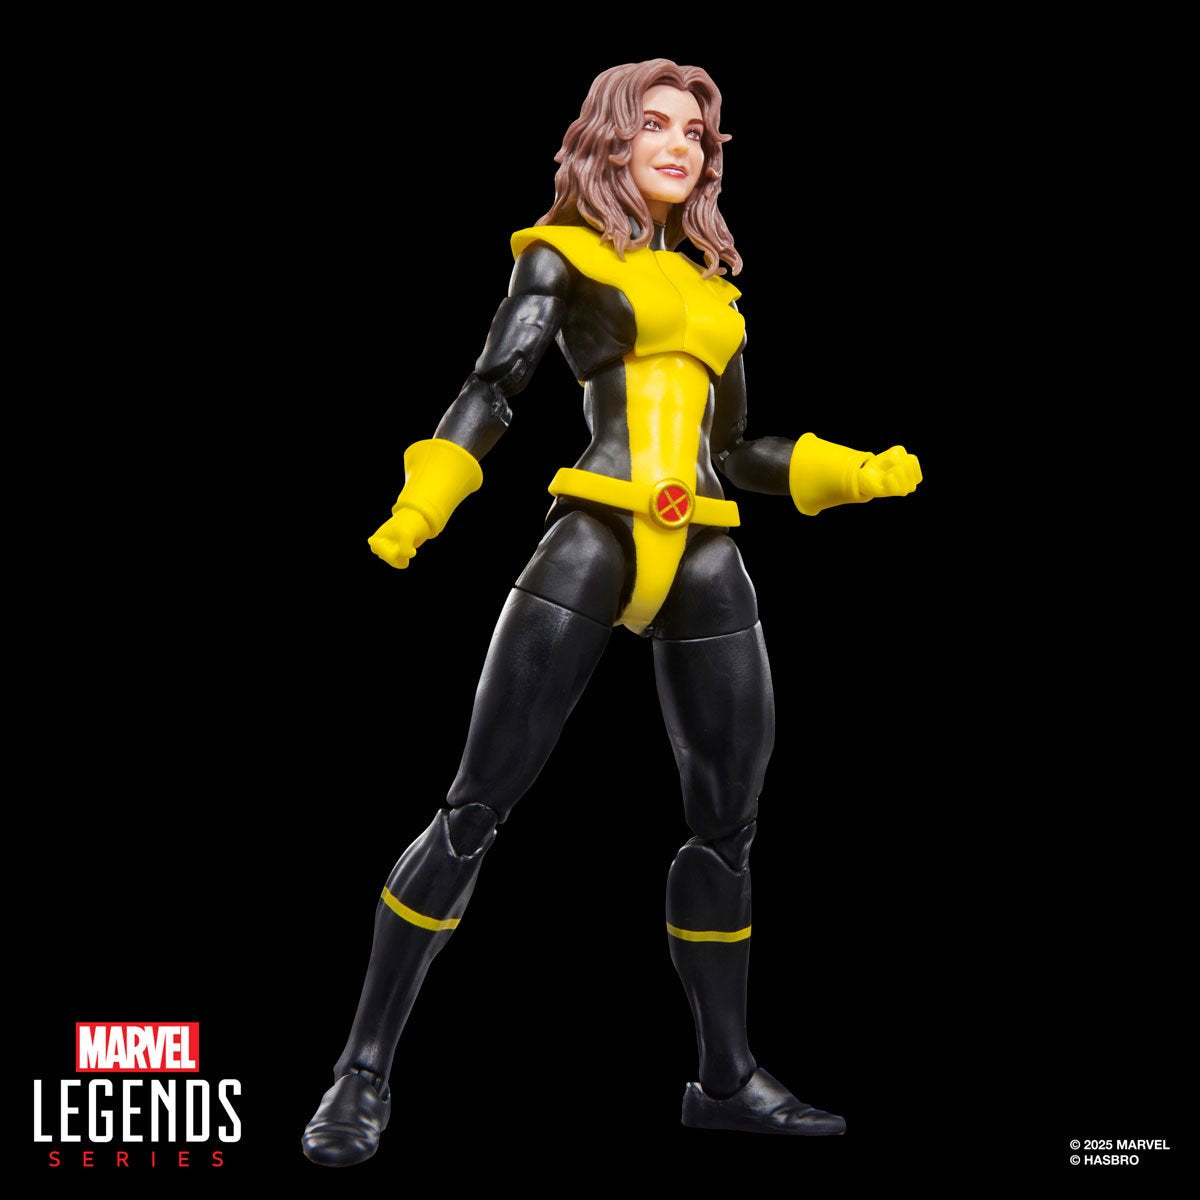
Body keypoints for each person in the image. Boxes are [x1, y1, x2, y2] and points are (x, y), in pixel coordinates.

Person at [302, 58, 921, 1166]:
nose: (681, 145)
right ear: (611, 140)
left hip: (706, 552)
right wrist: (422, 504)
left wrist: (851, 472)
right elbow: (494, 387)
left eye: (698, 132)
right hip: (594, 535)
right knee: (475, 806)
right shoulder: (564, 254)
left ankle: (725, 1078)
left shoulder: (714, 294)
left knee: (729, 825)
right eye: (657, 125)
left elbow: (737, 448)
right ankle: (360, 1071)